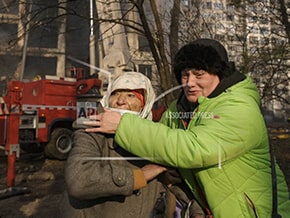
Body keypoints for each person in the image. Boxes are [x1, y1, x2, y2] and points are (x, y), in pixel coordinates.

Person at [84, 39, 290, 217]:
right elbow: (160, 146)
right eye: (185, 75)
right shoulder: (179, 108)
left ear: (219, 74)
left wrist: (122, 126)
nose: (190, 82)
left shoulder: (239, 107)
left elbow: (193, 149)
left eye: (199, 74)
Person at [60, 71, 180, 218]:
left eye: (131, 95)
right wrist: (139, 176)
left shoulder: (152, 137)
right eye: (116, 94)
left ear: (145, 104)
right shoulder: (91, 129)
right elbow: (79, 180)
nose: (121, 101)